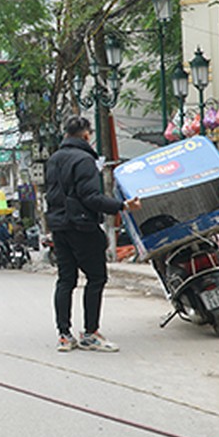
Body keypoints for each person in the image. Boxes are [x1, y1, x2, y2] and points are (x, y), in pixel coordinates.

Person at [45, 116, 141, 353]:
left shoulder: (54, 160)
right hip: (82, 227)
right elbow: (90, 197)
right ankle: (90, 333)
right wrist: (122, 206)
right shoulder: (85, 160)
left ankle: (64, 335)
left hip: (59, 227)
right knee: (96, 278)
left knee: (66, 280)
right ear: (86, 135)